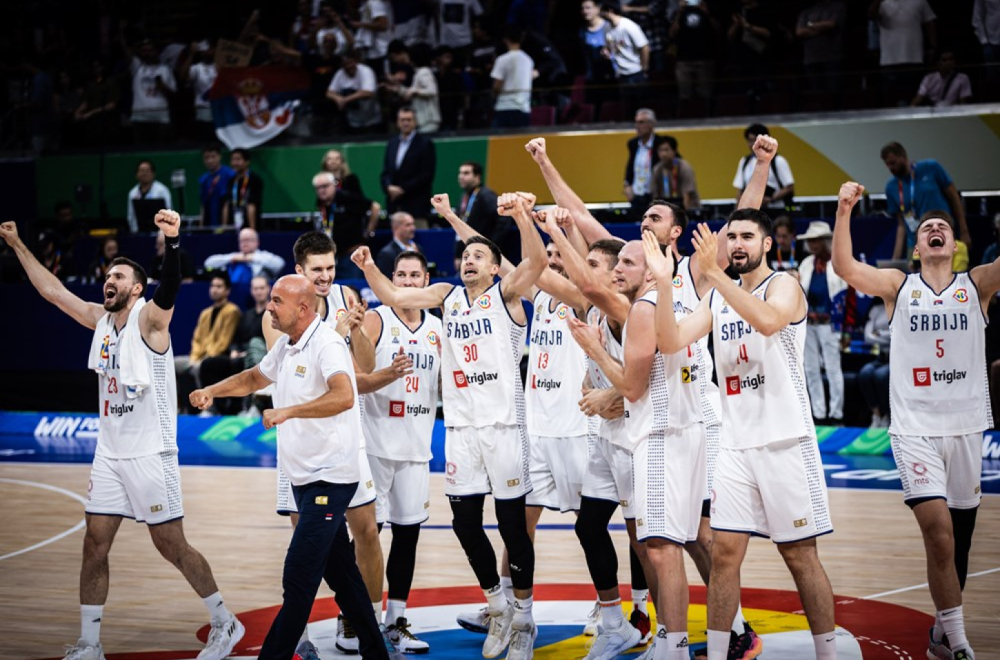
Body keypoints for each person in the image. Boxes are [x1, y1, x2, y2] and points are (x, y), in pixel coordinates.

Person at [525, 134, 773, 655]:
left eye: (656, 218)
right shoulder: (630, 271)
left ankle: (732, 625)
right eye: (643, 220)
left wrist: (762, 163)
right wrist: (544, 162)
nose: (645, 225)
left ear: (678, 232)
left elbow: (745, 218)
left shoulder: (696, 270)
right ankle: (667, 630)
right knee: (659, 536)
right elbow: (577, 214)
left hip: (692, 411)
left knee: (697, 534)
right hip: (647, 407)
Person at [0, 212, 244, 660]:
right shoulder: (99, 321)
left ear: (136, 287)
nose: (108, 279)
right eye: (107, 274)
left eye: (119, 276)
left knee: (170, 544)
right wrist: (17, 245)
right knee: (94, 542)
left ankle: (226, 620)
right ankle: (91, 644)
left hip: (152, 452)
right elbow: (53, 292)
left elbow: (169, 288)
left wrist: (171, 242)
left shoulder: (150, 321)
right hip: (109, 453)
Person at [352, 192, 547, 660]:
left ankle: (523, 619)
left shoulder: (508, 297)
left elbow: (537, 261)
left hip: (503, 427)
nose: (469, 260)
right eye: (466, 255)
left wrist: (522, 217)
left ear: (497, 268)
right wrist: (367, 268)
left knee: (511, 527)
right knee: (463, 523)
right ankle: (497, 607)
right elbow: (396, 296)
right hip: (461, 430)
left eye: (480, 255)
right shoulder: (447, 298)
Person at [653, 210, 836, 660]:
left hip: (785, 440)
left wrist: (715, 274)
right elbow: (672, 340)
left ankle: (828, 655)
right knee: (724, 558)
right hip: (735, 445)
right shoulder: (717, 296)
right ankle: (719, 654)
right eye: (730, 236)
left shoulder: (784, 285)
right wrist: (661, 284)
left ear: (766, 244)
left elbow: (770, 321)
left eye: (747, 236)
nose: (737, 243)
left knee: (799, 556)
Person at [189, 274, 391, 660]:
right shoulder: (286, 346)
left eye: (277, 301)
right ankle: (376, 654)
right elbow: (252, 377)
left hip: (330, 480)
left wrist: (289, 411)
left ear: (302, 308)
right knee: (345, 580)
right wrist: (212, 391)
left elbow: (345, 396)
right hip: (305, 479)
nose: (268, 307)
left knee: (297, 581)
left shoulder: (327, 345)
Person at [833, 182, 995, 660]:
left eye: (943, 225)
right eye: (927, 228)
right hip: (914, 429)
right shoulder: (898, 286)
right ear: (919, 246)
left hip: (966, 427)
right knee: (938, 532)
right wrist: (845, 210)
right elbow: (845, 268)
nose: (936, 229)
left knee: (957, 545)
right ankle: (961, 644)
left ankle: (942, 636)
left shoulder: (977, 285)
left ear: (955, 244)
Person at [263, 231, 388, 658]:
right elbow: (288, 371)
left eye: (331, 268)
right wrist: (334, 335)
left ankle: (360, 623)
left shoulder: (347, 294)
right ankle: (299, 637)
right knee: (309, 543)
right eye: (317, 269)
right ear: (299, 271)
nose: (326, 276)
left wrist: (357, 334)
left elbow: (362, 370)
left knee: (366, 530)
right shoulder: (278, 308)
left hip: (345, 437)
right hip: (303, 439)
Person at [361, 250, 442, 653]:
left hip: (416, 447)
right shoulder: (376, 319)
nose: (408, 282)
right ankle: (356, 619)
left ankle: (395, 621)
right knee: (368, 537)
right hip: (375, 446)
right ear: (390, 279)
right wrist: (384, 375)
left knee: (408, 537)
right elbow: (355, 380)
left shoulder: (438, 329)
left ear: (426, 281)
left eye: (415, 276)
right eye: (401, 275)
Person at [881, 141, 971, 261]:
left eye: (893, 163)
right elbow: (901, 225)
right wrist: (895, 259)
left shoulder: (931, 168)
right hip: (915, 245)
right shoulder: (891, 187)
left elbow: (954, 198)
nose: (891, 168)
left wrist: (964, 231)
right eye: (887, 165)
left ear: (903, 156)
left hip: (943, 238)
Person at [199, 276, 271, 415]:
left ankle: (248, 407)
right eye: (255, 288)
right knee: (209, 364)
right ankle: (213, 408)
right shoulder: (246, 315)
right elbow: (236, 339)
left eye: (261, 288)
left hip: (260, 356)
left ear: (268, 289)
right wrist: (234, 350)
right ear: (251, 291)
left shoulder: (271, 314)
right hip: (239, 355)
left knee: (243, 362)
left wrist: (246, 353)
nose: (258, 292)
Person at [797, 221, 845, 425]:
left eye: (816, 240)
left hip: (830, 323)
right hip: (809, 324)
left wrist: (844, 329)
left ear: (825, 241)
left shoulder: (838, 263)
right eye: (811, 241)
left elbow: (844, 296)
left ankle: (836, 414)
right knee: (811, 369)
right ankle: (818, 413)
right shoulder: (807, 263)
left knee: (833, 368)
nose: (813, 244)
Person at [175, 273, 242, 413]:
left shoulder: (232, 311)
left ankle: (208, 407)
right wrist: (194, 357)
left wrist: (204, 358)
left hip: (217, 357)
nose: (214, 289)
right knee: (173, 364)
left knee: (201, 367)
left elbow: (224, 341)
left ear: (227, 290)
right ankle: (180, 407)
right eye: (212, 286)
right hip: (198, 356)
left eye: (219, 286)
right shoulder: (205, 313)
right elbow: (197, 339)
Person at [870, 0, 937, 106]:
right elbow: (871, 16)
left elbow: (930, 23)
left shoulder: (919, 1)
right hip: (890, 61)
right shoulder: (883, 4)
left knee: (914, 100)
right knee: (890, 101)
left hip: (914, 59)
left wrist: (933, 47)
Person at [313, 171, 377, 280]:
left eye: (325, 186)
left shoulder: (347, 198)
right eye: (318, 188)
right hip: (332, 257)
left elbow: (375, 207)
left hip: (351, 255)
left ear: (334, 184)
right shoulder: (320, 204)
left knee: (352, 289)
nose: (321, 190)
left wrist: (369, 232)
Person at [204, 228, 286, 306]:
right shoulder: (235, 257)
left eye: (248, 240)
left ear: (257, 242)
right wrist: (231, 258)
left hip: (257, 300)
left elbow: (280, 264)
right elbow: (208, 263)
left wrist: (252, 258)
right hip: (234, 299)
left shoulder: (263, 256)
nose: (245, 243)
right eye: (242, 240)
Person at [381, 107, 436, 220]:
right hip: (394, 206)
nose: (405, 123)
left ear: (415, 122)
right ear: (397, 122)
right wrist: (388, 187)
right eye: (402, 120)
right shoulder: (392, 143)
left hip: (416, 206)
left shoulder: (425, 144)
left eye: (409, 119)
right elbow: (386, 172)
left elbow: (426, 175)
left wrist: (401, 189)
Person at [454, 161, 505, 271]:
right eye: (460, 173)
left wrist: (492, 246)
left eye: (466, 173)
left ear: (477, 177)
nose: (461, 176)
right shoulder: (464, 197)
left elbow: (503, 218)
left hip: (485, 254)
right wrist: (458, 254)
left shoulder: (486, 195)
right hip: (470, 251)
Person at [599, 2, 649, 115]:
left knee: (641, 108)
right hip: (621, 74)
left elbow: (644, 46)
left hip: (636, 73)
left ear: (610, 11)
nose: (600, 14)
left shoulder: (628, 26)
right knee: (627, 109)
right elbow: (608, 47)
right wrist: (606, 52)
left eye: (602, 11)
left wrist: (644, 68)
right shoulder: (606, 28)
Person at [123, 38, 176, 144]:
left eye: (150, 50)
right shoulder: (137, 66)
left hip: (161, 116)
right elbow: (126, 52)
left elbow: (174, 94)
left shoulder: (165, 69)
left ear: (156, 51)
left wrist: (163, 87)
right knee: (142, 150)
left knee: (161, 148)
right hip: (140, 116)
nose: (147, 53)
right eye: (144, 50)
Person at [733, 123, 794, 214]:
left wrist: (771, 199)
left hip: (776, 211)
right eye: (749, 140)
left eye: (754, 140)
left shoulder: (778, 161)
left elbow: (789, 187)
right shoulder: (744, 162)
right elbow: (740, 190)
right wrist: (736, 214)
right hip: (752, 212)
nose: (752, 144)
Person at [321, 149, 382, 236]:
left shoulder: (350, 180)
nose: (333, 161)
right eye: (330, 159)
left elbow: (367, 204)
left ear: (342, 162)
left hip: (351, 230)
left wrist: (369, 231)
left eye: (336, 158)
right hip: (331, 231)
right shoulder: (322, 183)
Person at [670, 1, 720, 102]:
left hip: (705, 58)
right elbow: (672, 33)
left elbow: (718, 30)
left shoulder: (708, 9)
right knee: (685, 94)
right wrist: (679, 13)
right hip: (684, 59)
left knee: (706, 94)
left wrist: (706, 12)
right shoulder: (680, 12)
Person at [796, 0, 847, 94]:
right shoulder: (806, 11)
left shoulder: (837, 6)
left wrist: (810, 25)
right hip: (811, 59)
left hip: (832, 58)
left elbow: (831, 24)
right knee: (817, 94)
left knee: (834, 93)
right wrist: (822, 30)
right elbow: (799, 32)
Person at [327, 49, 383, 133]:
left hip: (372, 120)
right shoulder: (340, 73)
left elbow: (368, 92)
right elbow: (329, 92)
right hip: (353, 121)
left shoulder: (366, 71)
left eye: (350, 63)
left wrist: (346, 99)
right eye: (345, 64)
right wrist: (338, 98)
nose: (349, 66)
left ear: (356, 61)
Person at [624, 109, 665, 221]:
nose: (637, 126)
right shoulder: (633, 144)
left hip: (654, 196)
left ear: (652, 124)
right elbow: (631, 165)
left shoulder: (661, 143)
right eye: (636, 122)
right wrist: (627, 184)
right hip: (636, 197)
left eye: (641, 122)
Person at [490, 26, 534, 128]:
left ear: (506, 40)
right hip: (523, 109)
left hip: (504, 108)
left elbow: (496, 86)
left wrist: (493, 95)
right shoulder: (528, 60)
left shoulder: (502, 59)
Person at [858, 298, 891, 427]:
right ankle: (877, 415)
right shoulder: (876, 309)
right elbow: (868, 337)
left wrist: (879, 334)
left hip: (895, 359)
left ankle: (888, 415)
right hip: (880, 357)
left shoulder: (899, 306)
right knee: (865, 373)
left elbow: (898, 334)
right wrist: (887, 336)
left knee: (881, 376)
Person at [579, 0, 616, 109]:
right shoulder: (582, 31)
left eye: (588, 8)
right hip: (592, 79)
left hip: (611, 77)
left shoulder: (608, 27)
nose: (585, 11)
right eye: (582, 8)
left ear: (597, 9)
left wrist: (610, 55)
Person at [649, 135, 700, 211]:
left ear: (674, 151)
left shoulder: (684, 168)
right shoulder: (657, 169)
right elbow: (655, 196)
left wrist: (685, 215)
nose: (663, 154)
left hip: (688, 209)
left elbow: (687, 195)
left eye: (666, 150)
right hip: (667, 210)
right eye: (660, 150)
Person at [221, 149, 264, 230]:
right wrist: (224, 228)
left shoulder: (254, 179)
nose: (234, 163)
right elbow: (226, 204)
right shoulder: (231, 181)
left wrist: (252, 230)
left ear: (247, 161)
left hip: (249, 227)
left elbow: (252, 205)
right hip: (232, 227)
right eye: (233, 159)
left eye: (238, 159)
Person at [127, 159, 173, 233]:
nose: (144, 174)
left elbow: (168, 213)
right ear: (137, 174)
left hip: (160, 233)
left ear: (153, 173)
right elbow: (131, 216)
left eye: (147, 171)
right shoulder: (133, 193)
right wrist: (135, 232)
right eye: (141, 171)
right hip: (139, 232)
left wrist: (163, 232)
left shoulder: (162, 190)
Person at [199, 145, 235, 228]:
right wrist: (201, 227)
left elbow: (227, 202)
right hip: (209, 224)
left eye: (213, 157)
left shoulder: (230, 175)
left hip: (227, 225)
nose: (210, 161)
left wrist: (224, 227)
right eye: (206, 158)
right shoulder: (204, 179)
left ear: (220, 157)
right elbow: (203, 204)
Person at [376, 212, 422, 277]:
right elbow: (385, 281)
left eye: (413, 224)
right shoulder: (387, 254)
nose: (413, 228)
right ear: (396, 227)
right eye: (408, 225)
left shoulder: (418, 248)